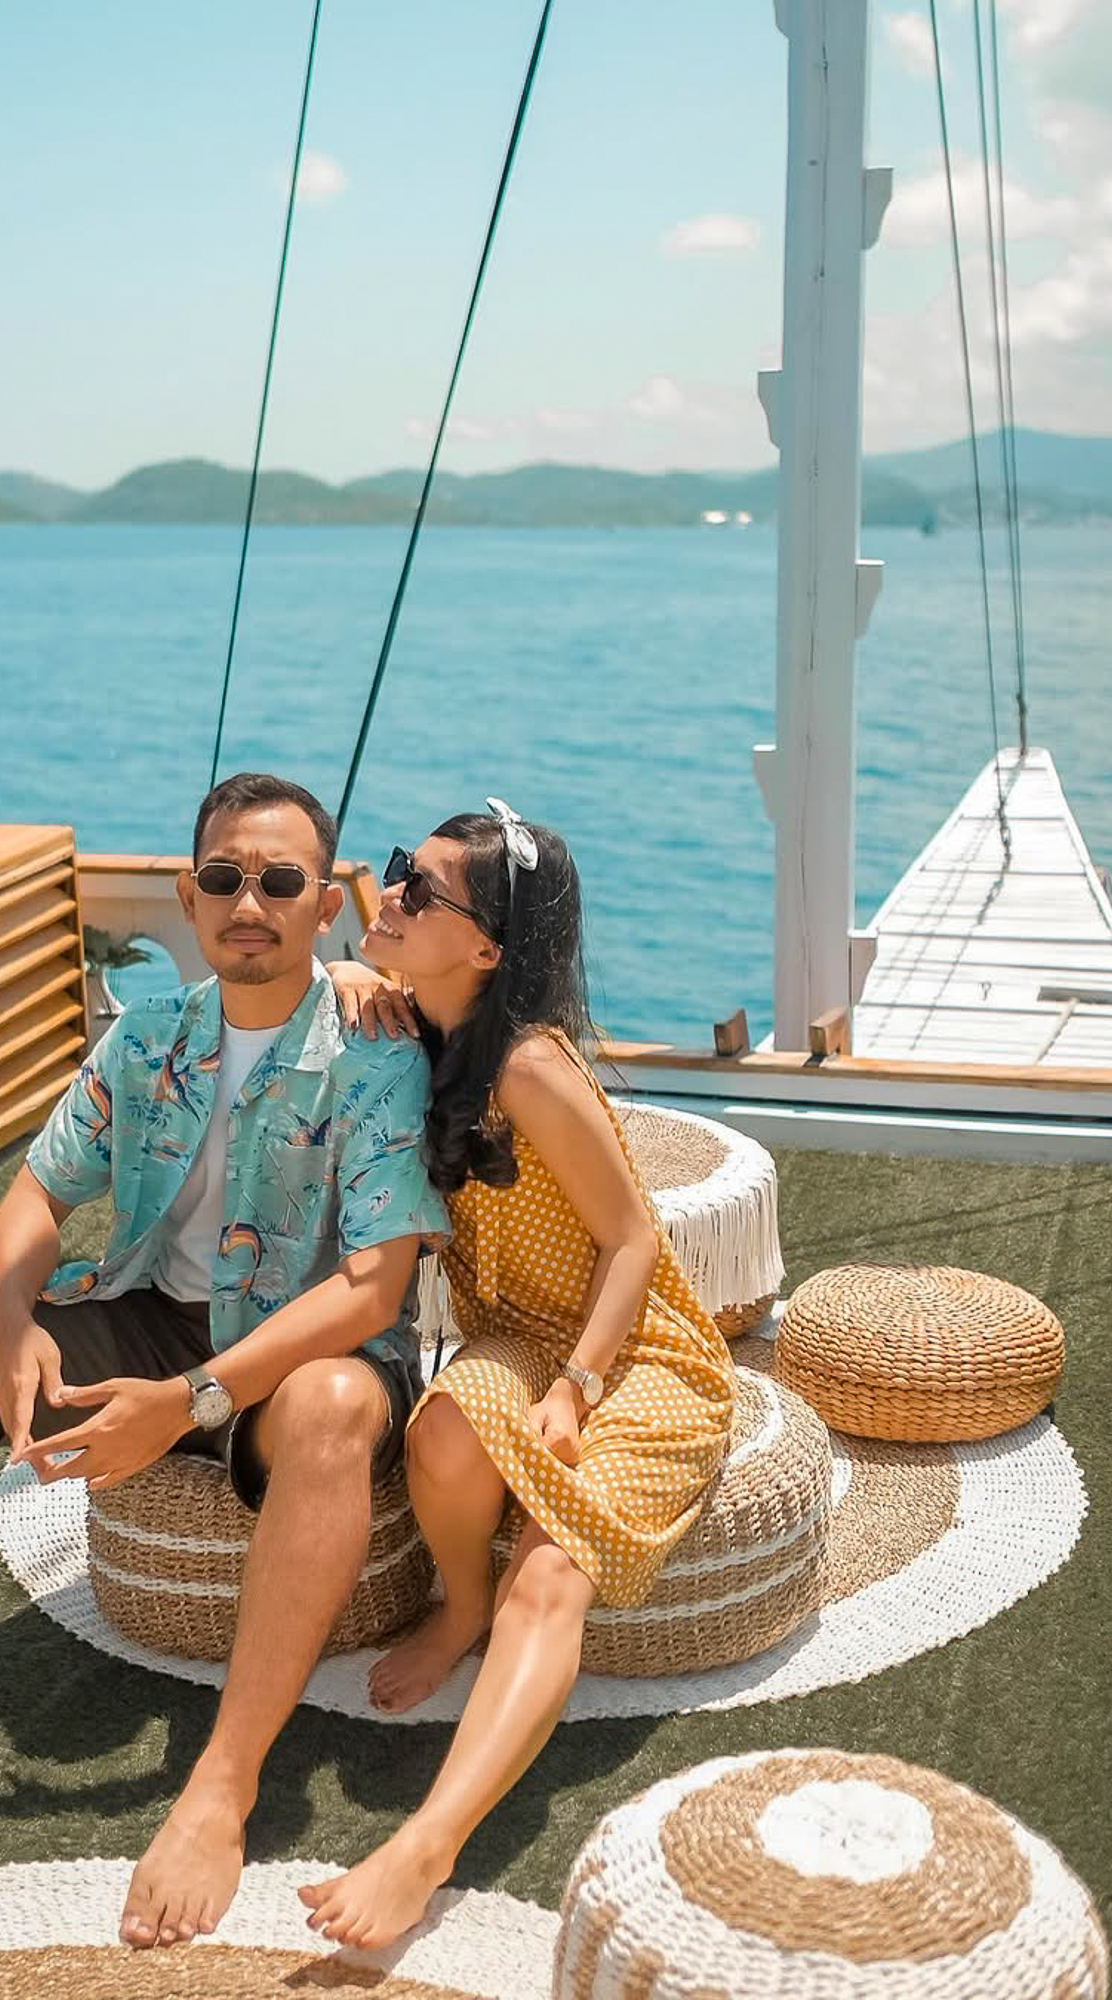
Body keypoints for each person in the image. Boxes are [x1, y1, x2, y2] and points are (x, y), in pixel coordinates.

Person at [0, 771, 447, 1953]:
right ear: (188, 896)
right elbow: (39, 1190)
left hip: (308, 1345)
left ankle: (223, 1782)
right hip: (151, 1311)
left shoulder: (374, 1051)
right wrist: (9, 1314)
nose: (249, 901)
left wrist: (189, 1400)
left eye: (280, 880)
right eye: (224, 877)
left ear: (323, 904)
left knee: (337, 1403)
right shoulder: (148, 1036)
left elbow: (374, 1288)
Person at [302, 803, 735, 1950]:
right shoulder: (417, 1027)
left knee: (551, 1571)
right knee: (442, 1433)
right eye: (402, 869)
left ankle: (427, 1842)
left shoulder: (529, 1068)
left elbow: (632, 1240)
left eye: (420, 888)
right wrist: (345, 968)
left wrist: (575, 1388)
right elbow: (304, 969)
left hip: (631, 1351)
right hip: (517, 1336)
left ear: (486, 948)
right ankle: (462, 1603)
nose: (392, 890)